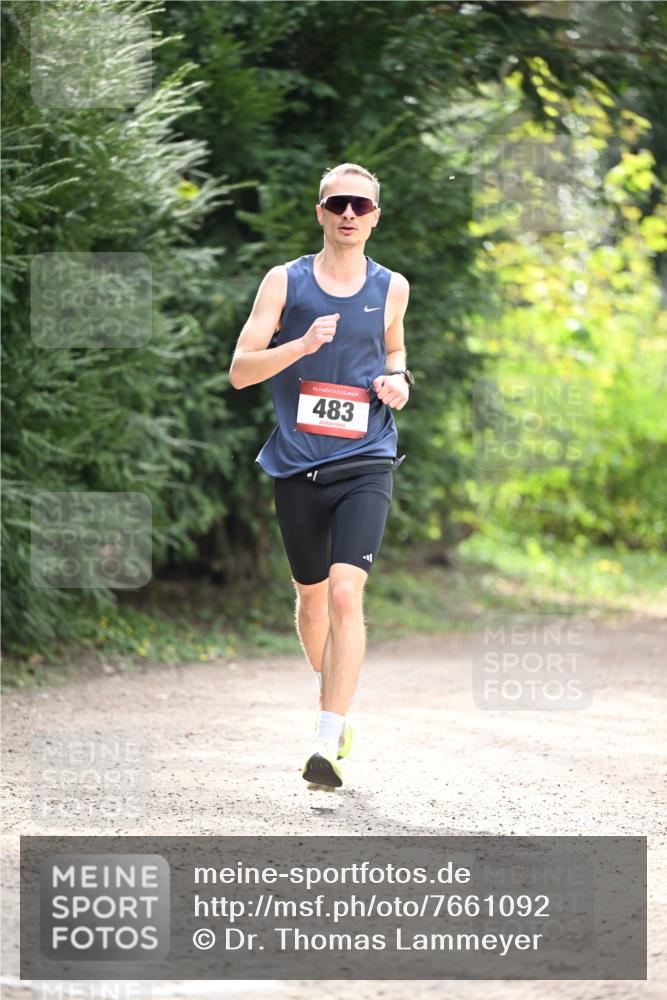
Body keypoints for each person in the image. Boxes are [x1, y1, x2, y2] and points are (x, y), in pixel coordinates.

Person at [229, 162, 412, 788]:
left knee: (343, 594)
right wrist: (300, 347)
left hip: (366, 458)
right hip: (298, 464)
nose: (350, 215)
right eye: (339, 204)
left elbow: (394, 349)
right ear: (322, 213)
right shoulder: (284, 282)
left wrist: (400, 380)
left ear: (375, 217)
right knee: (311, 604)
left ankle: (327, 738)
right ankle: (330, 690)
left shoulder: (392, 287)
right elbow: (240, 370)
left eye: (361, 206)